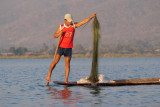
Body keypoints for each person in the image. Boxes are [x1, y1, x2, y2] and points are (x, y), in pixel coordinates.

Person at [46, 13, 96, 84]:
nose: (70, 22)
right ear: (65, 20)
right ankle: (48, 75)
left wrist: (91, 17)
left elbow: (83, 22)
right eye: (69, 21)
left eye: (71, 21)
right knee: (55, 62)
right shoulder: (61, 27)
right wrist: (59, 33)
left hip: (69, 48)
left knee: (67, 64)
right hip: (61, 47)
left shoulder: (73, 26)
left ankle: (66, 80)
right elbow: (54, 35)